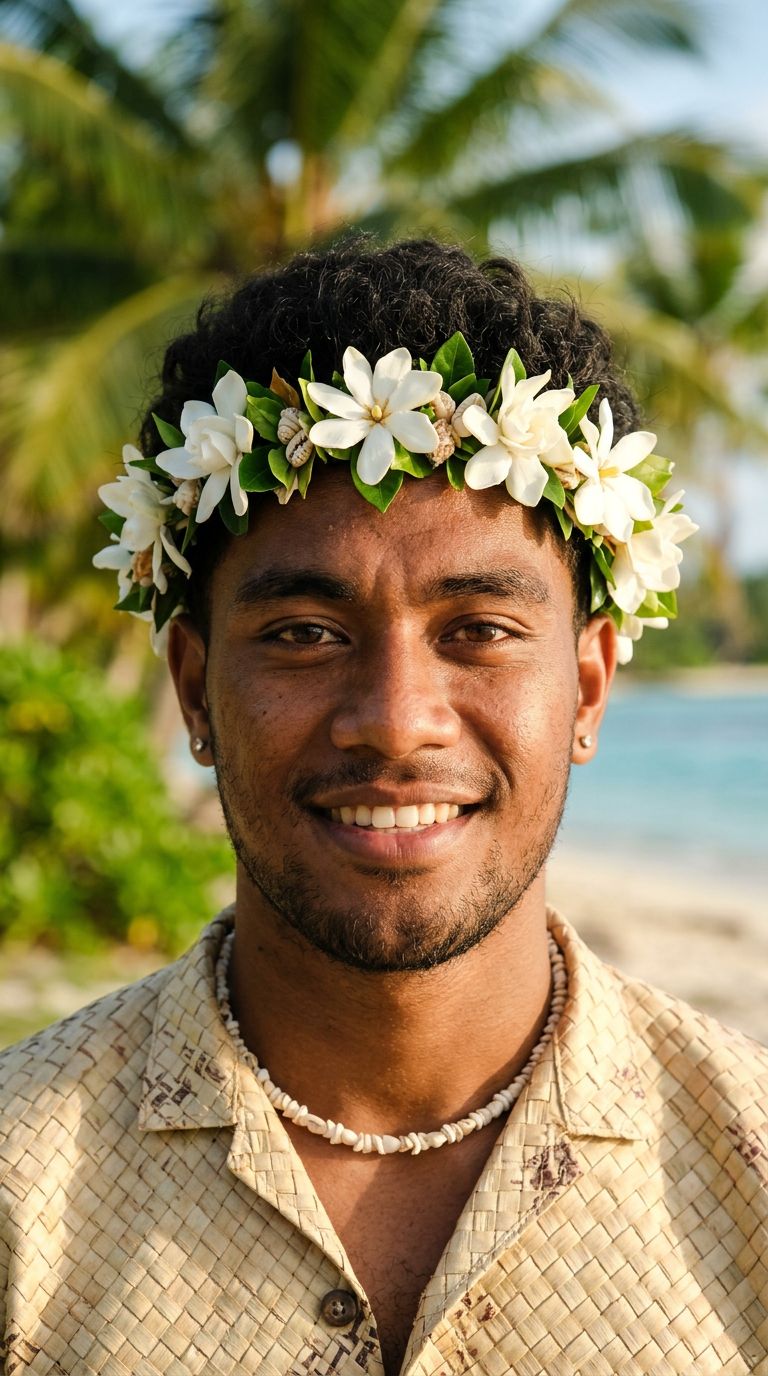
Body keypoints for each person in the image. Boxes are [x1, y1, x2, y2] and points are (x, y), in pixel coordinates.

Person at [0, 239, 765, 1376]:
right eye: (305, 633)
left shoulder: (747, 1163)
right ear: (192, 689)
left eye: (479, 632)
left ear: (590, 686)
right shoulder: (22, 1190)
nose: (397, 720)